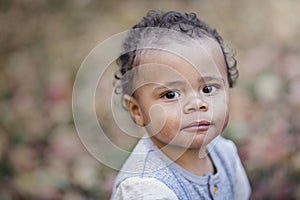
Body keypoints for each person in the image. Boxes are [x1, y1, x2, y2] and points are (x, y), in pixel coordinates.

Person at [111, 10, 251, 200]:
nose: (197, 104)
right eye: (171, 94)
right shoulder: (146, 189)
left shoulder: (226, 154)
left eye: (208, 89)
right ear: (137, 111)